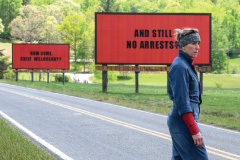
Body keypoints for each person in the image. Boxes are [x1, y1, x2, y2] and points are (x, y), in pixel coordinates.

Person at [167, 28, 209, 160]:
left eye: (198, 44)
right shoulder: (180, 66)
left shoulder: (185, 64)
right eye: (193, 43)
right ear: (183, 46)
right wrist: (194, 130)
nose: (197, 47)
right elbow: (182, 102)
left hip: (181, 121)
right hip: (183, 123)